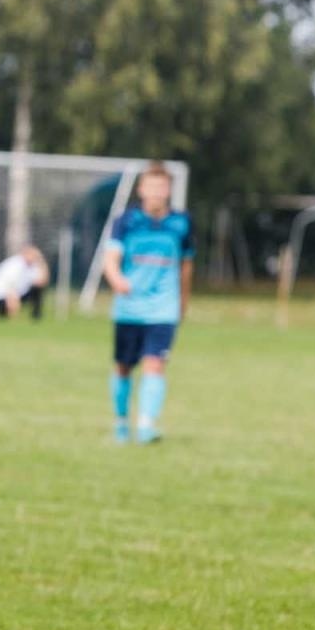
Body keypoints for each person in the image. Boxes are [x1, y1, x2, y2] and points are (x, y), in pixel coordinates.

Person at [102, 161, 193, 444]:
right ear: (141, 190)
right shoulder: (126, 221)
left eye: (162, 188)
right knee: (124, 366)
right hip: (129, 308)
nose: (156, 193)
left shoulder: (181, 223)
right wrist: (116, 279)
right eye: (151, 187)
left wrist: (183, 301)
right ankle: (120, 423)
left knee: (155, 364)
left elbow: (187, 265)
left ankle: (145, 426)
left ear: (169, 191)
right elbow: (111, 258)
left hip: (163, 308)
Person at [0, 245, 50, 320]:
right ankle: (6, 314)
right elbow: (10, 287)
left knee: (37, 289)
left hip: (18, 294)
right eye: (33, 255)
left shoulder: (32, 266)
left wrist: (41, 262)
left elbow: (42, 282)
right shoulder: (15, 264)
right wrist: (14, 309)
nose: (34, 258)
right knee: (4, 315)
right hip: (1, 296)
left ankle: (36, 317)